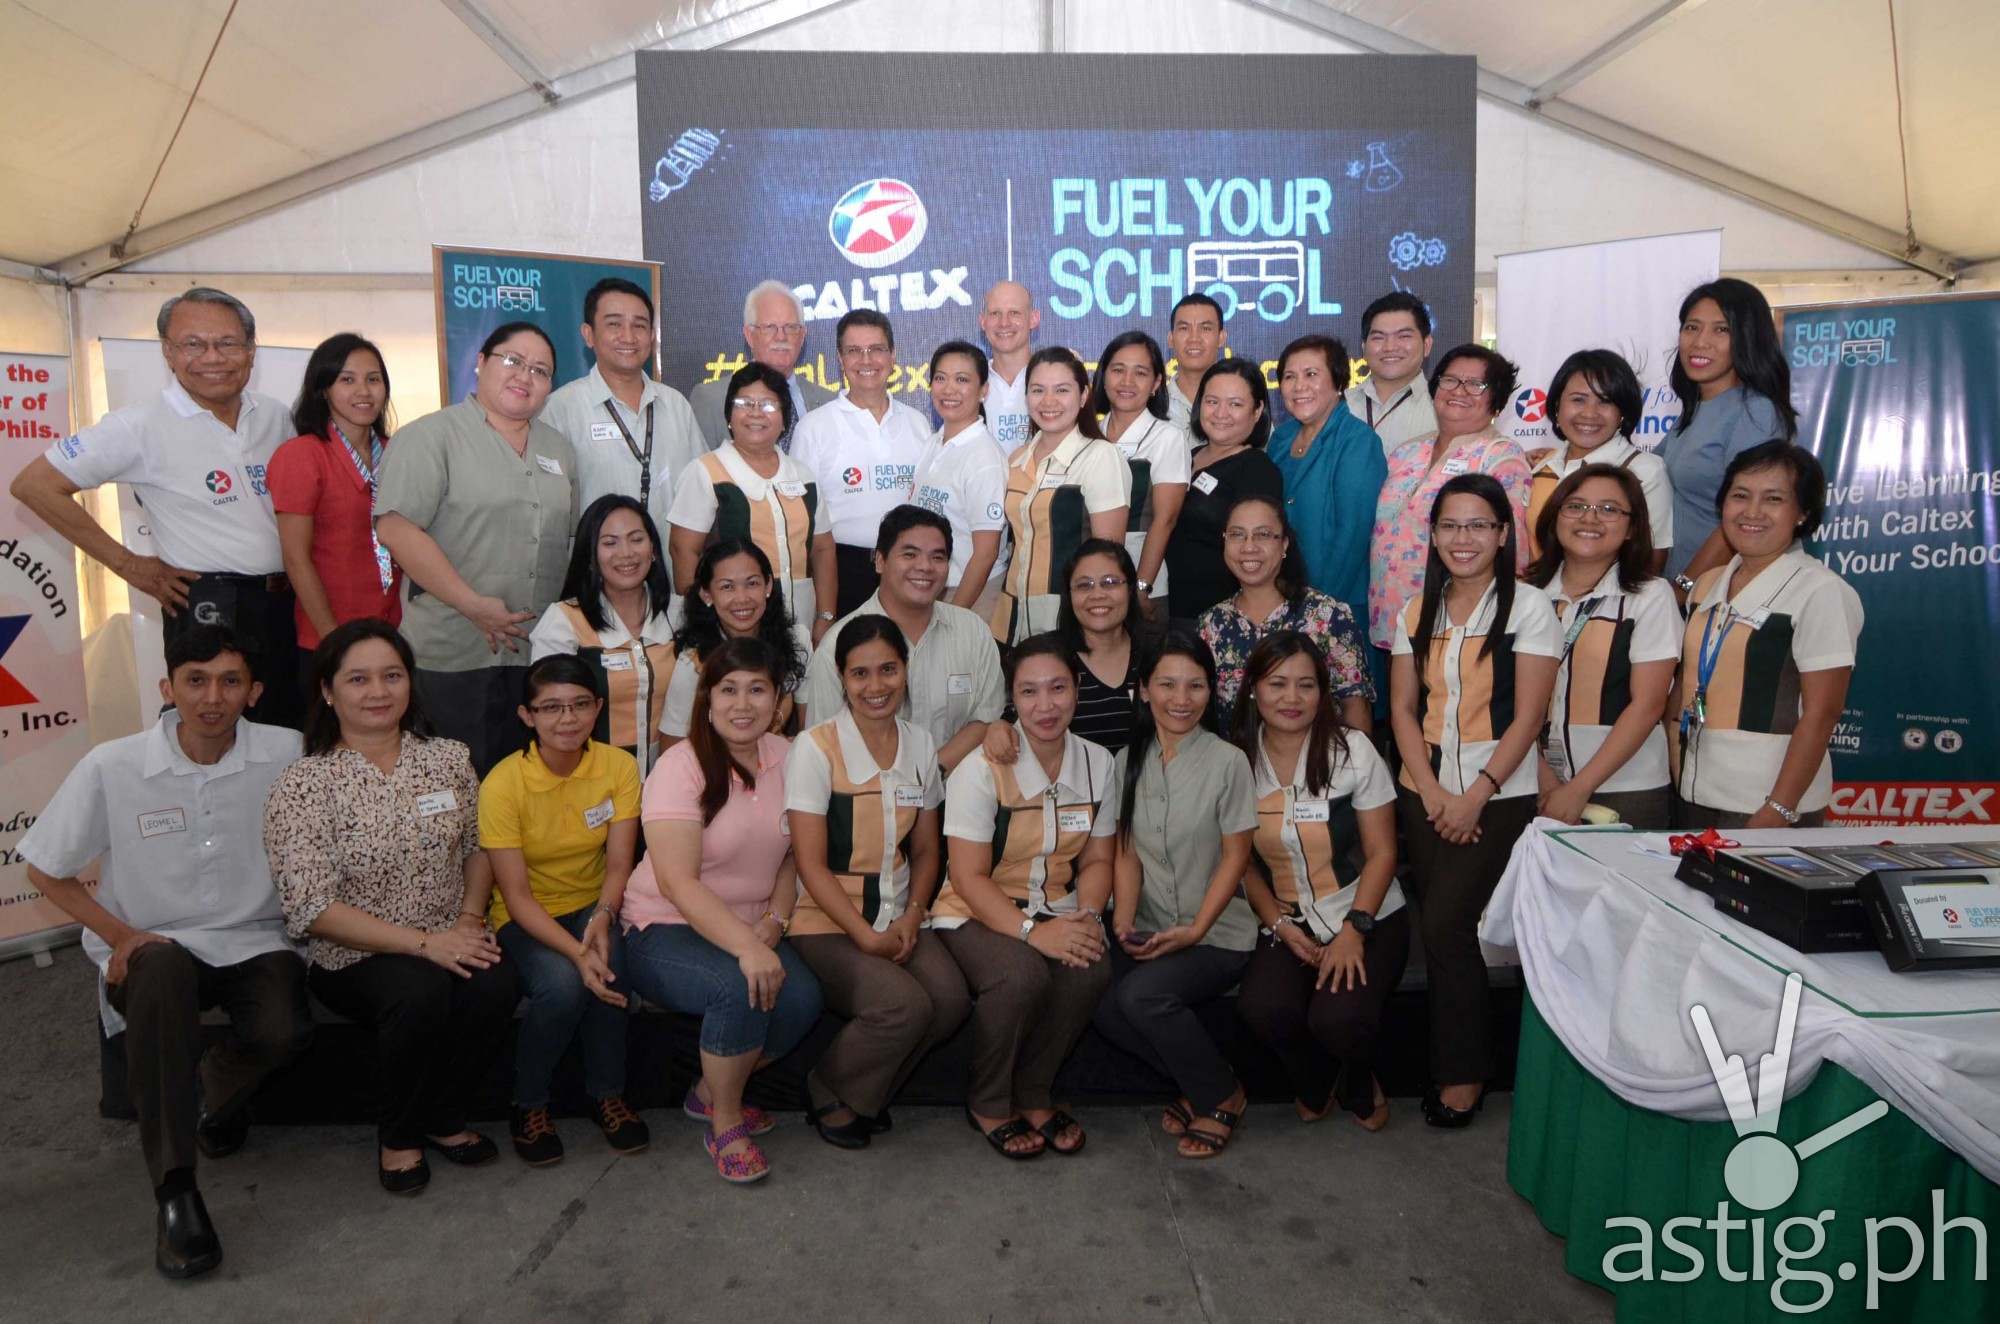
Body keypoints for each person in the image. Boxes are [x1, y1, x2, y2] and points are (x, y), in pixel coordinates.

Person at [19, 626, 309, 1279]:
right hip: (152, 946)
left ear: (254, 692)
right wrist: (120, 936)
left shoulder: (287, 753)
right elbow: (44, 868)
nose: (213, 697)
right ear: (167, 688)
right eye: (196, 681)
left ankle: (214, 1086)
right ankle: (177, 1193)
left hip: (255, 936)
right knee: (160, 969)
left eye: (230, 682)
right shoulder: (112, 765)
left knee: (285, 1029)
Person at [265, 619, 514, 1193]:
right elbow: (311, 908)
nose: (378, 691)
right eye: (358, 679)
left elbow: (481, 847)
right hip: (354, 954)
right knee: (419, 991)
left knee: (497, 983)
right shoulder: (303, 783)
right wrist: (428, 945)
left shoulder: (449, 759)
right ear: (328, 691)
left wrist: (469, 922)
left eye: (391, 675)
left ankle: (447, 1117)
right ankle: (399, 1134)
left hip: (453, 928)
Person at [13, 287, 304, 726]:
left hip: (287, 604)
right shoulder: (138, 425)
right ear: (168, 352)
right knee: (214, 743)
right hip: (210, 607)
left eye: (227, 343)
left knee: (287, 733)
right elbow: (34, 484)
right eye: (193, 344)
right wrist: (127, 564)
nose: (212, 357)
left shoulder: (275, 416)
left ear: (250, 350)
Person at [620, 638, 823, 1184]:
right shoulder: (680, 767)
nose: (743, 703)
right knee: (737, 987)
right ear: (707, 699)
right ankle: (726, 1122)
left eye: (757, 689)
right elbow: (677, 882)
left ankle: (710, 1092)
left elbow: (793, 859)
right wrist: (748, 947)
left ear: (779, 700)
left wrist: (774, 924)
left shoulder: (793, 756)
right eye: (728, 689)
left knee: (803, 998)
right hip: (663, 926)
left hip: (753, 923)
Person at [1389, 475, 1558, 1128]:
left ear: (1503, 534)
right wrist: (1432, 793)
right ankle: (1450, 1061)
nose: (1465, 539)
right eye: (1451, 526)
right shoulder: (1415, 612)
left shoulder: (1530, 609)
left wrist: (1475, 796)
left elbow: (1529, 718)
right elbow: (1404, 711)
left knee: (1445, 928)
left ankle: (1464, 1074)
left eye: (1479, 525)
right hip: (1423, 796)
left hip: (1501, 798)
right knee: (1443, 935)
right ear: (1432, 535)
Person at [786, 616, 967, 1148]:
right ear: (841, 678)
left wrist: (913, 914)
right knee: (902, 1006)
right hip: (828, 922)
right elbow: (809, 864)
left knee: (951, 1002)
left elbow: (929, 850)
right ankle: (825, 1085)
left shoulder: (921, 745)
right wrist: (864, 936)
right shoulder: (814, 749)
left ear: (906, 671)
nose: (876, 686)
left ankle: (864, 1088)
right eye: (860, 673)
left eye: (888, 669)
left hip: (899, 912)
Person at [936, 634, 1118, 1159]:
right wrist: (1034, 934)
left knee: (1092, 965)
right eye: (1030, 692)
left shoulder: (1098, 763)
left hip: (1055, 903)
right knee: (1021, 975)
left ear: (1077, 691)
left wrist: (1085, 917)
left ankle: (1035, 1091)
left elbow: (1099, 859)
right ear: (1012, 699)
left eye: (1058, 688)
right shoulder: (981, 768)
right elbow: (968, 877)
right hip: (973, 909)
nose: (1046, 706)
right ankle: (989, 1100)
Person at [373, 321, 578, 776]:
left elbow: (567, 540)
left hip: (534, 657)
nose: (525, 376)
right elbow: (395, 528)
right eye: (513, 361)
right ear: (480, 362)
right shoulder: (431, 437)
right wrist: (473, 605)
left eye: (541, 371)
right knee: (450, 791)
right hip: (454, 652)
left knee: (521, 792)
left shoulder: (559, 450)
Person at [1230, 631, 1406, 1130]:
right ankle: (1314, 1077)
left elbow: (1383, 852)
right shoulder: (1237, 761)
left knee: (1338, 1019)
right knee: (1261, 1008)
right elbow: (1240, 862)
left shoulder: (1353, 751)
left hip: (1367, 910)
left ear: (1323, 693)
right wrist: (1279, 927)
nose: (1291, 698)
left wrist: (1355, 929)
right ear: (1252, 690)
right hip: (1290, 919)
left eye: (1306, 685)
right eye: (1277, 683)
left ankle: (1356, 1074)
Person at [480, 654, 648, 1165]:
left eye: (579, 705)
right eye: (550, 708)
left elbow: (619, 862)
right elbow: (516, 897)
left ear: (598, 708)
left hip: (594, 902)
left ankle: (607, 1094)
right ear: (527, 716)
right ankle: (528, 1103)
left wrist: (601, 918)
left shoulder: (618, 766)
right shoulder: (503, 784)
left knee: (612, 969)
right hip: (526, 917)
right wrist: (578, 953)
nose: (567, 719)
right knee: (561, 986)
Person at [1096, 631, 1258, 1159]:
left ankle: (1222, 1092)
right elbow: (1126, 851)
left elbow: (1236, 857)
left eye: (1195, 686)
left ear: (1212, 692)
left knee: (1143, 996)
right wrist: (1123, 919)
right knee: (1094, 995)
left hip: (1215, 933)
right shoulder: (1128, 760)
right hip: (1151, 924)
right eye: (1166, 684)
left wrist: (1195, 929)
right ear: (1144, 690)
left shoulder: (1228, 762)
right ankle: (1196, 1080)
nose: (1181, 699)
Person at [1669, 442, 1862, 829]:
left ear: (1802, 513)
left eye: (1773, 499)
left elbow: (1822, 713)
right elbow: (1682, 689)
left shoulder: (1820, 591)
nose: (1752, 511)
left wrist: (1779, 808)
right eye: (1740, 496)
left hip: (1763, 806)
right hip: (1691, 793)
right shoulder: (1706, 586)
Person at [1524, 465, 1679, 829]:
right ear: (1555, 517)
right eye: (1575, 506)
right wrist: (1545, 778)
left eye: (1610, 509)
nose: (1590, 518)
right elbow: (1507, 700)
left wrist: (1579, 788)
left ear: (1631, 528)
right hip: (1534, 783)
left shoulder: (1651, 596)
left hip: (1627, 789)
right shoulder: (1526, 596)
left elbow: (1648, 704)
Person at [804, 505, 1004, 773]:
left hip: (959, 793)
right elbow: (824, 742)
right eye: (910, 554)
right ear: (880, 561)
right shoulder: (839, 643)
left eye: (938, 557)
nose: (925, 567)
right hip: (869, 799)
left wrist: (929, 776)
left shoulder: (973, 631)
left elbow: (986, 719)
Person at [1369, 345, 1532, 656]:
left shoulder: (1500, 457)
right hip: (1392, 625)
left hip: (1459, 629)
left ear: (1496, 399)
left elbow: (1514, 549)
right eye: (1450, 380)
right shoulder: (1406, 452)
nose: (1460, 390)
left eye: (1475, 384)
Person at [268, 332, 402, 693]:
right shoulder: (301, 455)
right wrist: (333, 642)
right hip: (327, 637)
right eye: (347, 380)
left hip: (393, 634)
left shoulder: (398, 452)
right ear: (323, 388)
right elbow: (296, 559)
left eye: (373, 379)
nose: (364, 391)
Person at [667, 360, 836, 640]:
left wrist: (825, 616)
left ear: (784, 420)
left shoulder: (803, 475)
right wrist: (706, 623)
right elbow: (683, 552)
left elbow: (823, 550)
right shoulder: (704, 472)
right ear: (729, 416)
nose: (756, 413)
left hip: (801, 628)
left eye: (769, 405)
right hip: (732, 628)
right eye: (745, 403)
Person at [789, 309, 933, 621]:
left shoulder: (918, 424)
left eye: (877, 349)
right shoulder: (814, 428)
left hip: (910, 571)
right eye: (854, 351)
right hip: (842, 573)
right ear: (840, 360)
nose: (866, 361)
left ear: (893, 356)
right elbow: (801, 522)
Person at [539, 277, 704, 545]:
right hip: (595, 578)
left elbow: (701, 493)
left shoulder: (676, 405)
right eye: (614, 324)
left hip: (671, 576)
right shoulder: (560, 409)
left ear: (652, 336)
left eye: (639, 326)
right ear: (588, 334)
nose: (628, 336)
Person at [1659, 278, 1797, 585]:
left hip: (1720, 592)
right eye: (1691, 327)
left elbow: (1746, 515)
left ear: (1748, 338)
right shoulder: (1693, 411)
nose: (1700, 342)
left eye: (1722, 330)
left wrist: (1684, 588)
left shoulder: (1756, 412)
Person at [529, 495, 676, 780]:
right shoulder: (563, 621)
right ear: (591, 555)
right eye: (610, 543)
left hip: (669, 784)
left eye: (636, 539)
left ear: (654, 549)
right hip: (590, 783)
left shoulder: (679, 614)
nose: (626, 553)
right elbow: (550, 714)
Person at [991, 348, 1132, 644]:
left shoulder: (1101, 458)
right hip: (1012, 619)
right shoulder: (1016, 459)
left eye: (1062, 390)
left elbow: (1108, 557)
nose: (1048, 401)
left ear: (1083, 397)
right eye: (1038, 390)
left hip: (1073, 620)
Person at [1196, 494, 1372, 722]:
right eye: (1237, 535)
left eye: (1263, 535)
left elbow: (1355, 708)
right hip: (1236, 757)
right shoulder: (1210, 625)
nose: (1249, 546)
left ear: (1284, 545)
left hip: (1318, 755)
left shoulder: (1328, 615)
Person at [1268, 333, 1386, 624]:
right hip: (1281, 598)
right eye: (1289, 376)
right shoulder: (1280, 438)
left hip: (1337, 606)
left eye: (1311, 374)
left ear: (1338, 382)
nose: (1299, 386)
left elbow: (1352, 535)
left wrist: (1318, 611)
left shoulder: (1358, 441)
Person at [1522, 349, 1672, 569]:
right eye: (1578, 400)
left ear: (1622, 412)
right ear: (1556, 406)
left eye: (1605, 402)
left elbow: (1652, 560)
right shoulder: (1540, 465)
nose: (1589, 413)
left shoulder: (1645, 470)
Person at [1164, 359, 1285, 622]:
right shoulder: (1187, 455)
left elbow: (1260, 552)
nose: (1221, 413)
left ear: (1257, 410)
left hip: (1225, 618)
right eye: (1212, 401)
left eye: (1235, 404)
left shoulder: (1257, 470)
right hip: (1174, 610)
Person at [661, 538, 812, 744]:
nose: (742, 598)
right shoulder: (692, 661)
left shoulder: (797, 639)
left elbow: (812, 729)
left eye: (752, 583)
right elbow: (672, 744)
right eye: (727, 587)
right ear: (707, 594)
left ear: (768, 585)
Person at [1090, 330, 1190, 612]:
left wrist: (1142, 586)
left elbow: (1164, 520)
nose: (1127, 382)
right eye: (1118, 370)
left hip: (1141, 582)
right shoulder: (1089, 434)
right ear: (1104, 376)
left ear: (1157, 382)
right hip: (1087, 583)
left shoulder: (1167, 437)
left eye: (1140, 373)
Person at [909, 339, 1008, 613]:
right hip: (932, 588)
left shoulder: (984, 458)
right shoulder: (933, 442)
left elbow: (986, 553)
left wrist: (956, 615)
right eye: (940, 378)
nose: (948, 389)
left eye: (961, 379)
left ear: (983, 390)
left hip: (970, 594)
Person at [689, 280, 836, 450]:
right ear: (749, 335)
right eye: (769, 327)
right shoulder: (711, 400)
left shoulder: (828, 402)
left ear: (802, 336)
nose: (781, 337)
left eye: (791, 327)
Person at [1346, 291, 1438, 457]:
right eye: (1378, 338)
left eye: (1403, 336)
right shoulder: (1339, 406)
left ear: (1427, 344)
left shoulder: (1443, 408)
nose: (1390, 347)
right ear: (1363, 347)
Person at [978, 280, 1039, 448]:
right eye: (995, 313)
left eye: (1014, 313)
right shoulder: (972, 383)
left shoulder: (1054, 380)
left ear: (1034, 319)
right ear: (982, 321)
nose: (1004, 322)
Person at [1164, 294, 1227, 431]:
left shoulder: (1242, 404)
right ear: (1170, 339)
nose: (1194, 339)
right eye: (1184, 328)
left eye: (1205, 328)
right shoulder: (1154, 407)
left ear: (1221, 338)